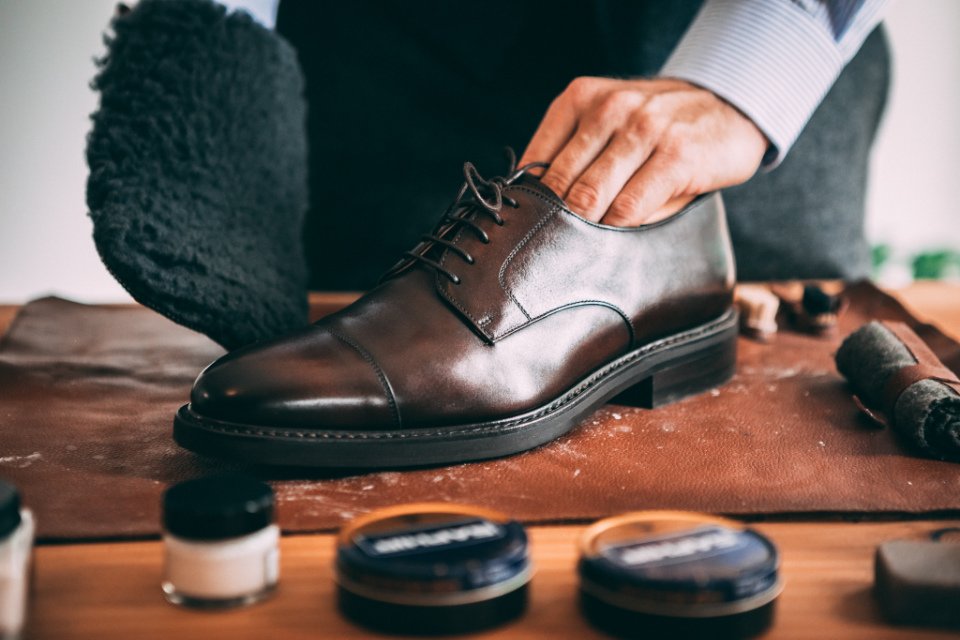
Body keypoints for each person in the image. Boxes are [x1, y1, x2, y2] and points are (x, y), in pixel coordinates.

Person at [274, 0, 890, 290]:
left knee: (793, 382)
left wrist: (749, 74)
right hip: (398, 54)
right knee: (389, 332)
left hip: (756, 47)